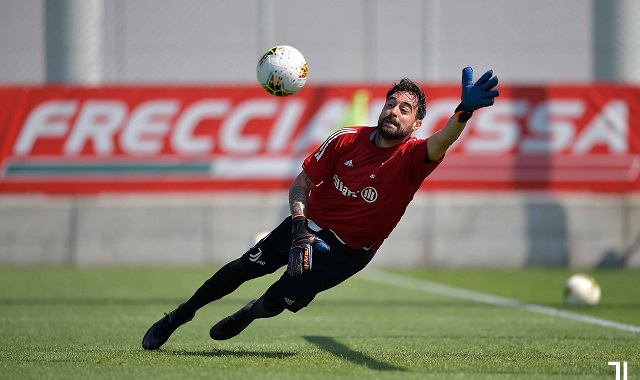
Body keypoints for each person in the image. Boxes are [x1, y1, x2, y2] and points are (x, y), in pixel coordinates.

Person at [142, 66, 499, 350]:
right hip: (307, 227)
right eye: (391, 103)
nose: (394, 111)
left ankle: (250, 312)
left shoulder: (414, 158)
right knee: (242, 268)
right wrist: (299, 226)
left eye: (405, 109)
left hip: (348, 254)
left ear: (416, 124)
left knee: (277, 299)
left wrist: (463, 111)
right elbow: (302, 184)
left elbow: (445, 137)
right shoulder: (346, 140)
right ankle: (179, 316)